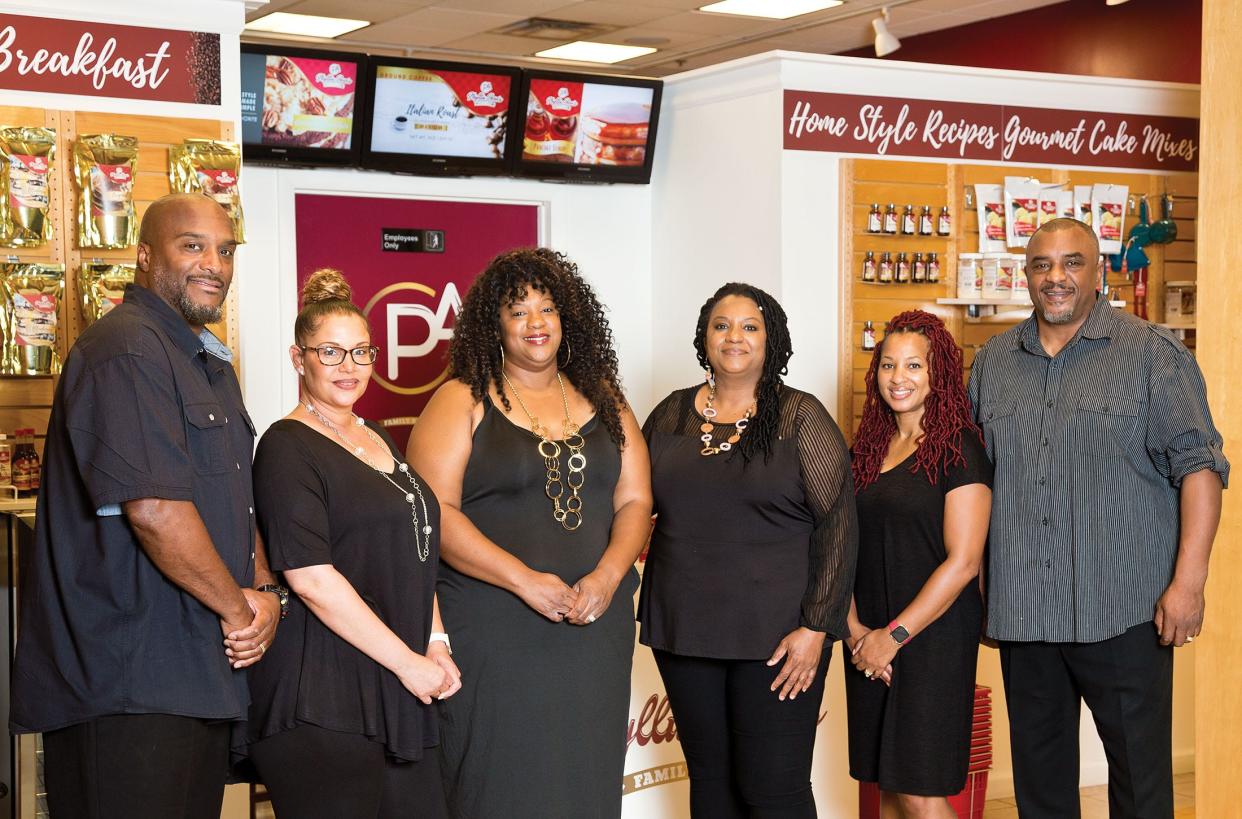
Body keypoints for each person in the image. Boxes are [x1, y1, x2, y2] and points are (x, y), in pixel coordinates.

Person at [9, 193, 282, 818]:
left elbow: (234, 498)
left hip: (193, 677)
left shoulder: (208, 364)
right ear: (143, 255)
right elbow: (156, 510)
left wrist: (269, 594)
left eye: (225, 249)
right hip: (129, 685)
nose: (213, 263)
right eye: (192, 246)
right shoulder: (127, 349)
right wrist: (243, 609)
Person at [968, 217, 1227, 818]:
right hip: (1026, 613)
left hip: (1125, 608)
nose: (1056, 277)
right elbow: (977, 482)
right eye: (1042, 264)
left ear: (1099, 272)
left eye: (1072, 262)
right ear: (1026, 275)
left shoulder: (1152, 355)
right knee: (1041, 790)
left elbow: (1200, 466)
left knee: (1140, 786)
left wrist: (1189, 583)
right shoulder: (993, 363)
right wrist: (981, 578)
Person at [408, 247, 652, 818]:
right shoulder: (459, 398)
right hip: (494, 629)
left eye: (547, 309)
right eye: (518, 312)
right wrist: (524, 581)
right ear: (494, 324)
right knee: (500, 780)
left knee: (583, 779)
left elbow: (636, 498)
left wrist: (608, 577)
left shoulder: (606, 398)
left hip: (593, 625)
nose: (535, 323)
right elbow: (432, 513)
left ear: (569, 319)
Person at [243, 269, 459, 818]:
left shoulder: (376, 436)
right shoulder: (286, 446)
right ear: (299, 359)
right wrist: (410, 664)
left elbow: (417, 548)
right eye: (331, 353)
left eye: (360, 352)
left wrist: (435, 642)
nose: (349, 367)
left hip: (397, 681)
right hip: (324, 694)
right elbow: (312, 579)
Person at [639, 282, 857, 818]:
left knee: (772, 790)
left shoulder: (800, 417)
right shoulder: (669, 415)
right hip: (685, 629)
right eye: (721, 325)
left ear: (771, 339)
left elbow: (839, 524)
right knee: (711, 785)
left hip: (780, 637)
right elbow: (630, 504)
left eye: (749, 326)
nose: (733, 336)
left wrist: (816, 628)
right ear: (704, 337)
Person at [844, 310, 993, 818]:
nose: (898, 378)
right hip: (867, 637)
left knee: (919, 789)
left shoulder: (960, 450)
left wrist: (895, 636)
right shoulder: (865, 450)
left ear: (938, 375)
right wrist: (856, 632)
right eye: (888, 365)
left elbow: (965, 561)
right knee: (886, 784)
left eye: (913, 366)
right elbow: (839, 544)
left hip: (930, 637)